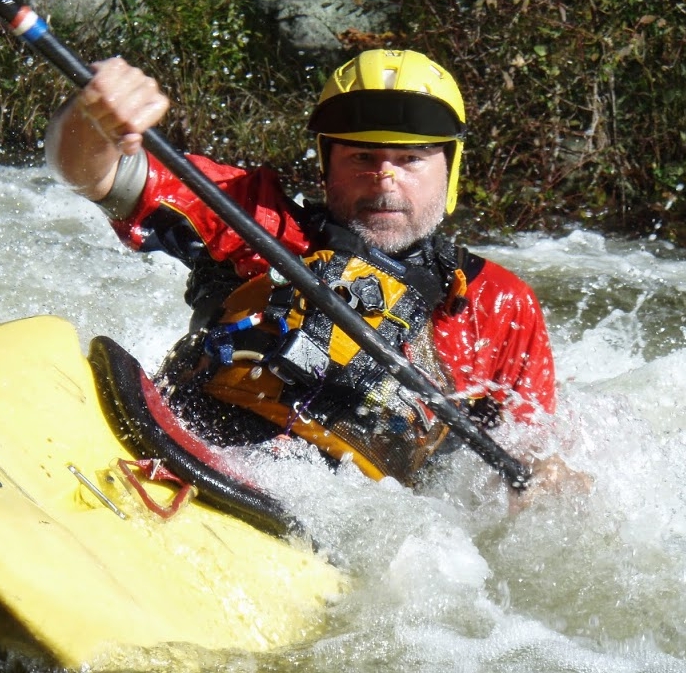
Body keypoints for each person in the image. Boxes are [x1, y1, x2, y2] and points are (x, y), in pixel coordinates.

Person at [45, 49, 568, 496]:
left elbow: (533, 448)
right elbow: (99, 176)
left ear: (450, 168)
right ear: (326, 163)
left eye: (410, 160)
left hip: (352, 521)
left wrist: (549, 479)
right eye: (362, 156)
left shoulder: (497, 303)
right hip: (191, 453)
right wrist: (94, 121)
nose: (384, 182)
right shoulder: (255, 222)